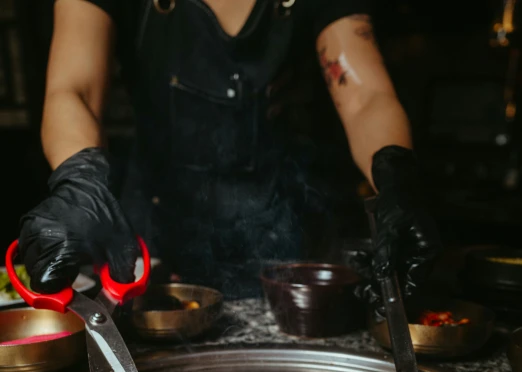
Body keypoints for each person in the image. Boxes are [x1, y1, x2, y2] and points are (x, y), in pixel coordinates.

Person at [18, 0, 441, 302]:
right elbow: (73, 90)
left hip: (291, 259)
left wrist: (395, 177)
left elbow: (366, 99)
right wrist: (81, 178)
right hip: (156, 259)